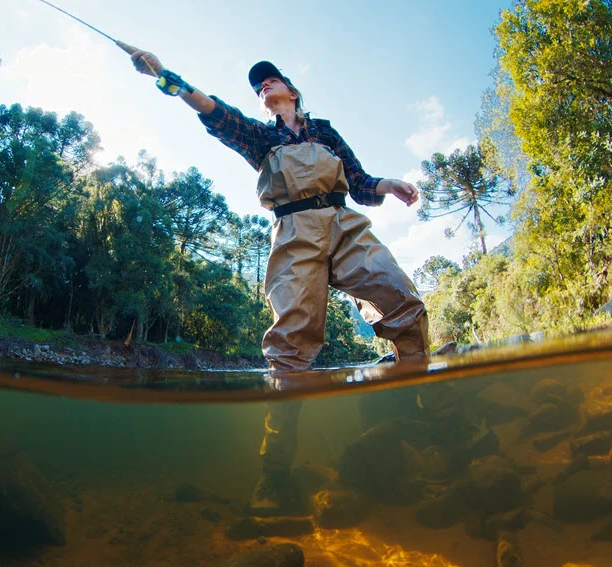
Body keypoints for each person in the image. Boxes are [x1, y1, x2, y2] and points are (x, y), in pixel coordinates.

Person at [130, 53, 429, 515]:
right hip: (293, 236)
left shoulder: (324, 131)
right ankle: (274, 476)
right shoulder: (258, 135)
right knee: (289, 348)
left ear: (291, 89)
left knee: (404, 301)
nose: (263, 86)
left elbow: (361, 181)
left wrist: (390, 185)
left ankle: (412, 415)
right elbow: (214, 112)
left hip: (346, 224)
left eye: (271, 80)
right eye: (258, 86)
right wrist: (166, 77)